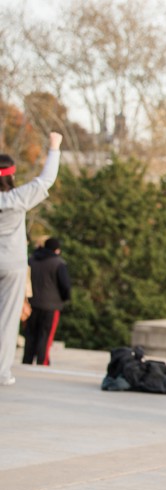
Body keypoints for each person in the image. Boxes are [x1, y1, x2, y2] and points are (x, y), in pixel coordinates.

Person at [0, 132, 62, 386]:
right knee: (7, 319)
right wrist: (54, 147)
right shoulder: (17, 199)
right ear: (12, 175)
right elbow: (46, 179)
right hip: (12, 264)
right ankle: (2, 371)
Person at [22, 237, 71, 365]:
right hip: (51, 306)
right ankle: (42, 362)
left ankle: (26, 361)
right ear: (56, 250)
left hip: (31, 304)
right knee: (45, 336)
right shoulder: (58, 263)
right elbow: (65, 286)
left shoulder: (31, 260)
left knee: (30, 335)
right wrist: (64, 299)